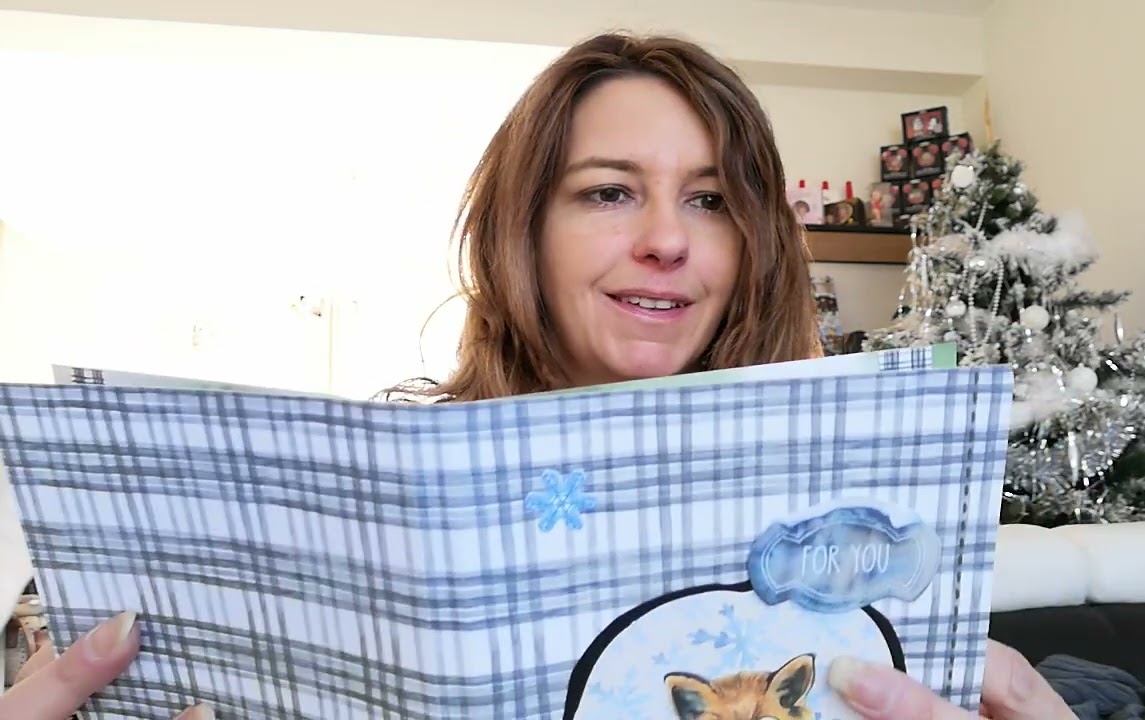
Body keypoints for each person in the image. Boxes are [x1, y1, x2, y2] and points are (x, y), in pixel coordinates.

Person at [0, 32, 1076, 720]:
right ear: (522, 230)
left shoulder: (862, 512)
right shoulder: (391, 506)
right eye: (609, 191)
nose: (667, 239)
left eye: (710, 200)